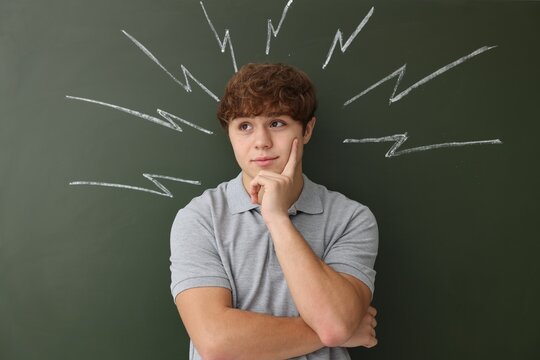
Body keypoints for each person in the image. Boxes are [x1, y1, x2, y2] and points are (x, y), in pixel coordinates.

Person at [170, 63, 379, 360]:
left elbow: (334, 325)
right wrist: (337, 332)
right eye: (244, 126)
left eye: (277, 123)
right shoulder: (200, 218)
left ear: (307, 130)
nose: (261, 142)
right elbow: (216, 342)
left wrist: (277, 218)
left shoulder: (351, 218)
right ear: (229, 135)